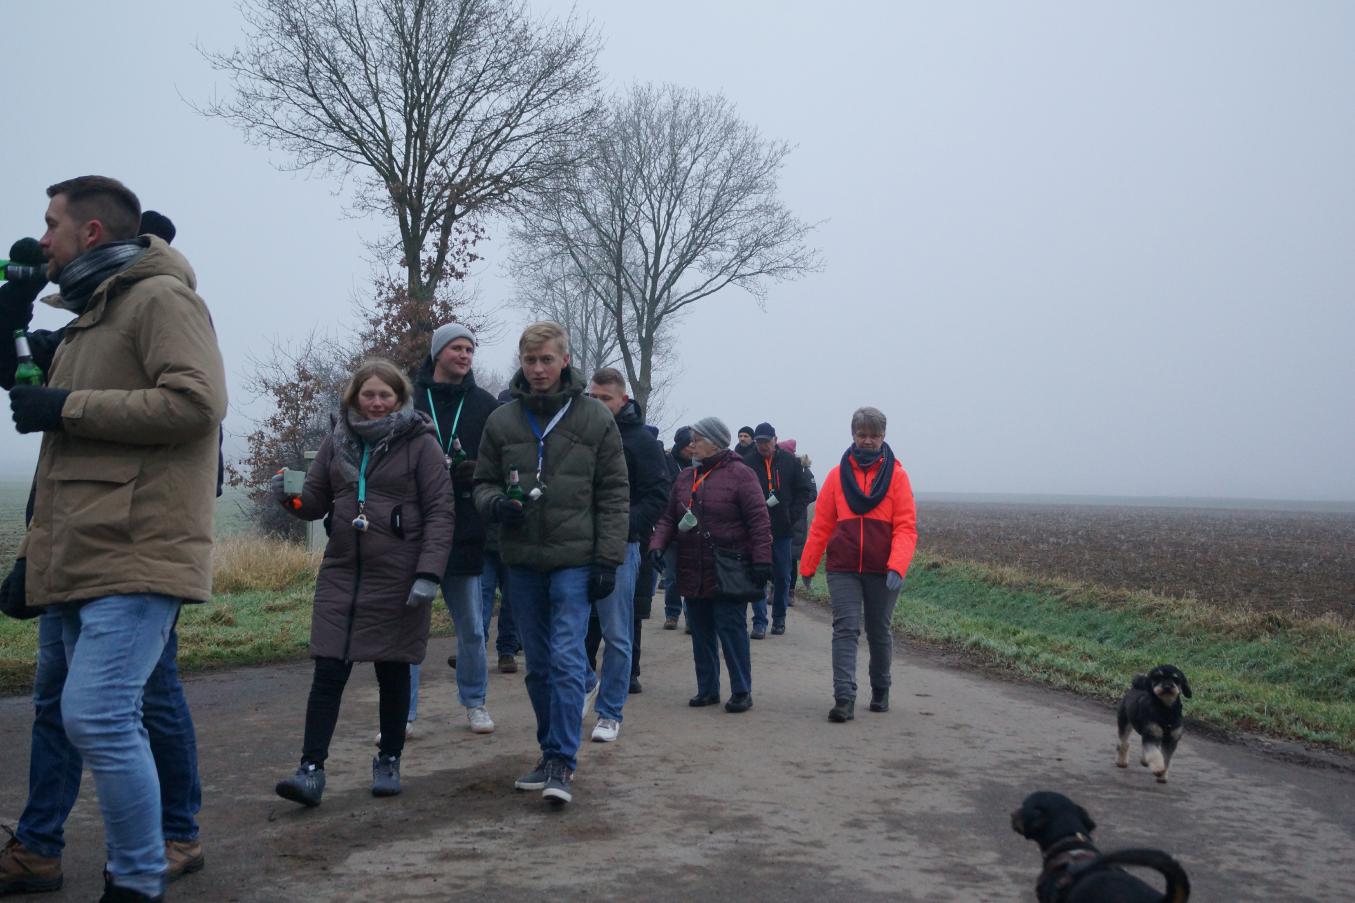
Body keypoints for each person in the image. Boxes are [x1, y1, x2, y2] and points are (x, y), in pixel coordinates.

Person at [8, 176, 227, 902]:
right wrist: (10, 306)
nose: (43, 237)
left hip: (138, 543)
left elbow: (196, 403)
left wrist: (65, 406)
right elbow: (28, 391)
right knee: (86, 712)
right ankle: (105, 864)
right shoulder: (90, 314)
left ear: (91, 232)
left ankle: (140, 875)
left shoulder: (160, 299)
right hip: (80, 547)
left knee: (98, 715)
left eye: (52, 224)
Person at [272, 358, 453, 807]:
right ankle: (310, 770)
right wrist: (290, 499)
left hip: (400, 575)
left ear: (399, 398)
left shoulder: (421, 443)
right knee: (328, 671)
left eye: (384, 395)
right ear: (354, 397)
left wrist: (429, 573)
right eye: (368, 394)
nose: (376, 403)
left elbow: (440, 512)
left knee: (392, 670)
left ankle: (389, 759)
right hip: (341, 573)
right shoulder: (337, 440)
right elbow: (315, 502)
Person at [473, 322, 628, 805]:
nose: (538, 369)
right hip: (522, 560)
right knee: (538, 665)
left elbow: (614, 493)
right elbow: (482, 483)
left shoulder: (595, 418)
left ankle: (563, 760)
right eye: (530, 360)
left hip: (576, 560)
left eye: (546, 360)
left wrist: (608, 560)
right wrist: (495, 504)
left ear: (565, 360)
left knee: (565, 656)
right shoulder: (502, 421)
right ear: (520, 362)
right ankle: (548, 753)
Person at [798, 406, 917, 723]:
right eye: (862, 434)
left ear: (883, 436)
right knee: (845, 629)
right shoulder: (836, 476)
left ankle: (881, 688)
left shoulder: (898, 477)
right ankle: (844, 697)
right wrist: (808, 564)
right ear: (853, 435)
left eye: (874, 435)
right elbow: (821, 524)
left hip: (883, 569)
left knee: (878, 631)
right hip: (844, 568)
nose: (868, 440)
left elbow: (905, 527)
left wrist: (897, 566)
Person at [649, 418, 771, 714]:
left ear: (715, 442)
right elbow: (668, 517)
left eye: (698, 439)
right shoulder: (685, 477)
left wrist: (762, 561)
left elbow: (759, 521)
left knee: (731, 630)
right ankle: (707, 689)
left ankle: (741, 690)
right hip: (692, 565)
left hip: (728, 567)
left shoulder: (742, 474)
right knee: (700, 630)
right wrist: (657, 545)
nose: (692, 445)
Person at [412, 322, 499, 734]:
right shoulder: (411, 399)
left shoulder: (485, 404)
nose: (464, 355)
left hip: (466, 528)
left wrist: (477, 471)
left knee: (472, 629)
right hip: (415, 529)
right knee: (408, 629)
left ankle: (475, 702)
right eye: (456, 348)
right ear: (437, 353)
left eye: (469, 349)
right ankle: (403, 712)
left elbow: (499, 461)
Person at [582, 368, 671, 743]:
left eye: (605, 398)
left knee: (617, 632)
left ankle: (610, 712)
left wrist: (623, 524)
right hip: (575, 542)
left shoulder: (642, 441)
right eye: (593, 397)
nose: (598, 404)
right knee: (567, 630)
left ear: (623, 399)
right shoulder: (578, 432)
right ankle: (586, 682)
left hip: (622, 545)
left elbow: (659, 495)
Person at [743, 422, 809, 639]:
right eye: (759, 442)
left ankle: (779, 619)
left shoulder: (790, 462)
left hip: (782, 530)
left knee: (782, 576)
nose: (762, 445)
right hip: (756, 529)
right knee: (758, 574)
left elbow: (804, 491)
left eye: (766, 441)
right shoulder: (748, 463)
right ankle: (759, 622)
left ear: (775, 440)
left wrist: (793, 515)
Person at [778, 439, 818, 607]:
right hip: (779, 516)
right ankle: (776, 589)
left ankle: (790, 591)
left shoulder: (804, 471)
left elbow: (812, 493)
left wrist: (797, 503)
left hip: (797, 519)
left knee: (791, 557)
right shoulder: (777, 467)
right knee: (777, 555)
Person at [661, 427, 694, 631]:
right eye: (690, 444)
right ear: (681, 444)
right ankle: (672, 613)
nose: (693, 448)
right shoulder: (667, 462)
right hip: (672, 524)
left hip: (692, 527)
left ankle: (692, 617)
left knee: (691, 574)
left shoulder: (698, 464)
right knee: (672, 575)